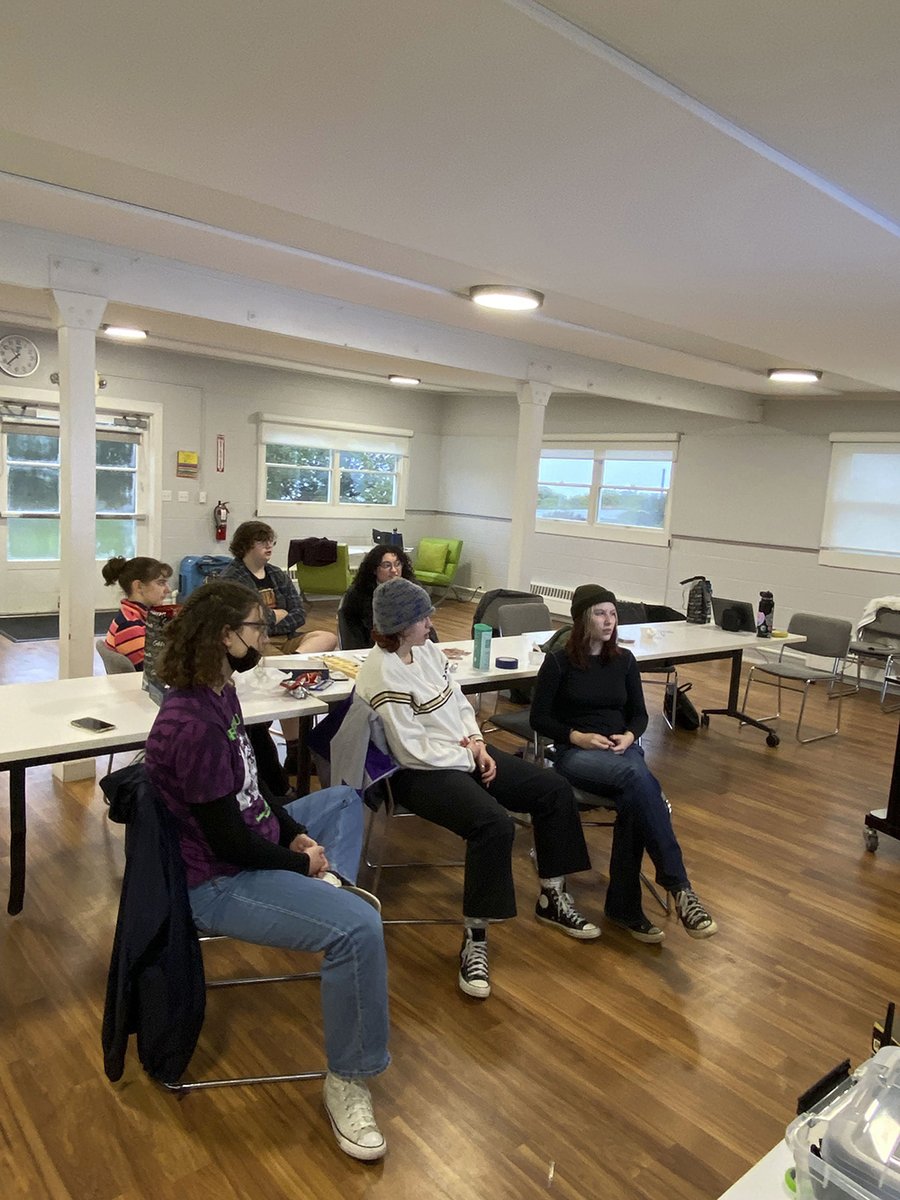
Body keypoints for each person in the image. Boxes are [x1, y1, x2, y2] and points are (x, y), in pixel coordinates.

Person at [143, 580, 390, 1161]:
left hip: (249, 842)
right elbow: (225, 837)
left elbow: (252, 793)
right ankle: (348, 1082)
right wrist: (296, 860)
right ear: (227, 637)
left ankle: (330, 895)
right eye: (257, 628)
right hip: (216, 879)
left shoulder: (220, 691)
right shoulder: (194, 722)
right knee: (359, 929)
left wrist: (291, 832)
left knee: (344, 801)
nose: (266, 636)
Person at [354, 576, 600, 1001]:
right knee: (493, 825)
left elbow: (458, 702)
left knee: (552, 789)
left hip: (463, 754)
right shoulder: (381, 674)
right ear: (399, 625)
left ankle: (552, 897)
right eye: (422, 615)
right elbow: (412, 751)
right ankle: (475, 939)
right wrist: (471, 756)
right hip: (418, 774)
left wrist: (478, 742)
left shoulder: (426, 650)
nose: (431, 619)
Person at [530, 584, 718, 944]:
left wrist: (630, 736)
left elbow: (638, 715)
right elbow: (540, 718)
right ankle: (679, 888)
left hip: (622, 750)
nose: (609, 620)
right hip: (578, 754)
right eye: (600, 613)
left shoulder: (625, 661)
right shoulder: (558, 662)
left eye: (613, 614)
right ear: (582, 618)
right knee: (639, 780)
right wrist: (577, 737)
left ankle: (624, 907)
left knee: (636, 796)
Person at [220, 520, 337, 655]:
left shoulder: (277, 574)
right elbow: (246, 623)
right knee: (259, 649)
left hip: (287, 637)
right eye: (262, 542)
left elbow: (299, 613)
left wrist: (272, 621)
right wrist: (277, 614)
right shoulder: (232, 578)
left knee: (327, 638)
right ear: (245, 546)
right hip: (254, 641)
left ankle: (292, 660)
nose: (269, 546)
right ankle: (289, 663)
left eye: (270, 541)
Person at [340, 543, 419, 649]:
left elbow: (424, 625)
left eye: (398, 564)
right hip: (371, 648)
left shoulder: (413, 590)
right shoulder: (357, 595)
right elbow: (353, 636)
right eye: (387, 566)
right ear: (374, 569)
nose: (394, 570)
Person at [102, 555, 173, 667]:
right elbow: (153, 670)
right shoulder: (130, 625)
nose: (168, 590)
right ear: (139, 586)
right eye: (161, 583)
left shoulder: (135, 616)